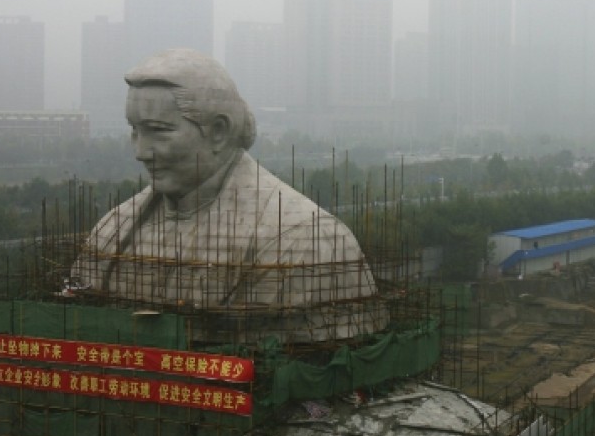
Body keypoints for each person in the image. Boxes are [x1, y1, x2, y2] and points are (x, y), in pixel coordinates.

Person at [72, 49, 385, 341]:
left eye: (158, 130)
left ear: (219, 131)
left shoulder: (306, 238)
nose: (140, 152)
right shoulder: (112, 231)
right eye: (135, 131)